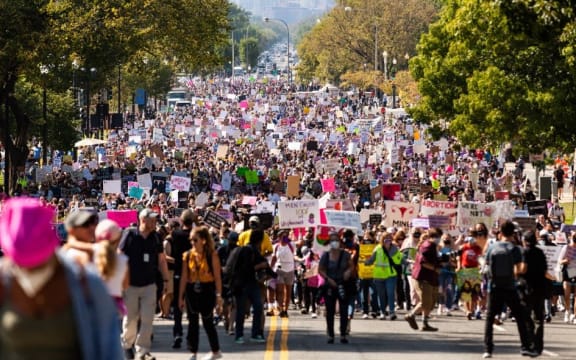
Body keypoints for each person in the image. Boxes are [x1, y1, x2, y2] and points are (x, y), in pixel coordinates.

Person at [0, 197, 123, 359]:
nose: (29, 271)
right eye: (21, 266)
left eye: (38, 264)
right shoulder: (3, 282)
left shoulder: (87, 283)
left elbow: (109, 350)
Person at [120, 208, 171, 360]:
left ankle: (142, 350)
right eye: (153, 220)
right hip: (131, 285)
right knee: (131, 319)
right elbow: (119, 256)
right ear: (143, 220)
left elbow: (162, 260)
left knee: (148, 318)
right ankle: (127, 345)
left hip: (149, 285)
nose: (155, 222)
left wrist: (166, 280)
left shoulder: (156, 237)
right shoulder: (130, 235)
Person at [482, 220, 537, 359]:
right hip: (510, 287)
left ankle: (488, 348)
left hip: (494, 287)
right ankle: (525, 347)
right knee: (520, 317)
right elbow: (520, 269)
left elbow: (486, 264)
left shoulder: (492, 247)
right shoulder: (515, 249)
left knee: (490, 318)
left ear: (500, 232)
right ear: (513, 233)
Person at [178, 226, 223, 360]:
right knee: (192, 322)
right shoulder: (187, 256)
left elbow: (217, 277)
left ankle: (215, 351)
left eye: (195, 240)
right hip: (192, 290)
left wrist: (219, 296)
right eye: (191, 240)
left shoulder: (212, 255)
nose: (192, 242)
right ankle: (193, 352)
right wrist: (180, 297)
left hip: (207, 289)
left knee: (207, 321)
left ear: (203, 240)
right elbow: (184, 278)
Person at [231, 228, 269, 344]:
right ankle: (239, 335)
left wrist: (271, 273)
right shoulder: (247, 250)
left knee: (258, 307)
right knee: (241, 310)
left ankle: (255, 333)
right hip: (242, 284)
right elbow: (245, 269)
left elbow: (265, 264)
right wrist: (259, 266)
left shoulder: (255, 250)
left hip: (252, 284)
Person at [318, 232, 354, 344]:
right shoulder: (326, 255)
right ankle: (331, 334)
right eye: (332, 240)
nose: (335, 243)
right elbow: (321, 269)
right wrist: (328, 279)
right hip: (330, 284)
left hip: (343, 284)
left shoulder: (345, 254)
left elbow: (351, 265)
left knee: (344, 310)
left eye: (336, 240)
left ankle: (343, 334)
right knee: (330, 311)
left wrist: (348, 271)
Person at [404, 228, 442, 332]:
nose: (439, 239)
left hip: (432, 277)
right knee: (426, 302)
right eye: (437, 237)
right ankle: (411, 315)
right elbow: (423, 262)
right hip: (423, 277)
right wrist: (435, 268)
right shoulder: (427, 246)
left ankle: (425, 323)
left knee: (432, 301)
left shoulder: (434, 246)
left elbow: (435, 259)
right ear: (432, 237)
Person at [519, 230, 548, 356]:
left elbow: (523, 269)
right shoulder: (540, 252)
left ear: (525, 240)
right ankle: (539, 346)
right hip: (540, 288)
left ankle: (530, 342)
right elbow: (545, 269)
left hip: (527, 288)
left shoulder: (524, 252)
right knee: (539, 318)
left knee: (526, 316)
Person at [170, 209, 194, 349]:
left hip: (178, 272)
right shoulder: (195, 235)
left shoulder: (175, 234)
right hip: (192, 273)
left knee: (177, 306)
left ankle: (177, 333)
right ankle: (191, 337)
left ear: (181, 220)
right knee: (192, 307)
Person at [365, 232, 402, 320]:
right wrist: (364, 262)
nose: (388, 241)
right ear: (382, 240)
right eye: (386, 239)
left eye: (389, 239)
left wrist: (408, 262)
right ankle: (382, 312)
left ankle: (392, 312)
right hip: (379, 276)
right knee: (381, 295)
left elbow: (400, 258)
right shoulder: (377, 248)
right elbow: (371, 260)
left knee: (390, 293)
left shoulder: (395, 249)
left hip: (391, 275)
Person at [217, 230, 239, 335]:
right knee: (225, 304)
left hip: (235, 279)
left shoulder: (239, 251)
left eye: (235, 241)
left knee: (234, 303)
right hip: (223, 280)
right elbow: (215, 262)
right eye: (231, 240)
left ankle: (231, 326)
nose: (233, 242)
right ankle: (226, 319)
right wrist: (222, 268)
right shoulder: (221, 250)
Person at [270, 229, 295, 318]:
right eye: (282, 236)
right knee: (280, 291)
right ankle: (281, 308)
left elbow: (300, 242)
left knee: (288, 291)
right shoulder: (276, 246)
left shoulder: (291, 245)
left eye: (285, 236)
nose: (284, 237)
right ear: (279, 237)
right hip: (279, 270)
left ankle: (285, 310)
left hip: (290, 270)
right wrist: (270, 268)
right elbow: (273, 258)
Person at [558, 232, 576, 324]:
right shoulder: (566, 247)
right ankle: (567, 312)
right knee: (567, 295)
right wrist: (565, 260)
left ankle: (575, 315)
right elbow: (559, 261)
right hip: (568, 272)